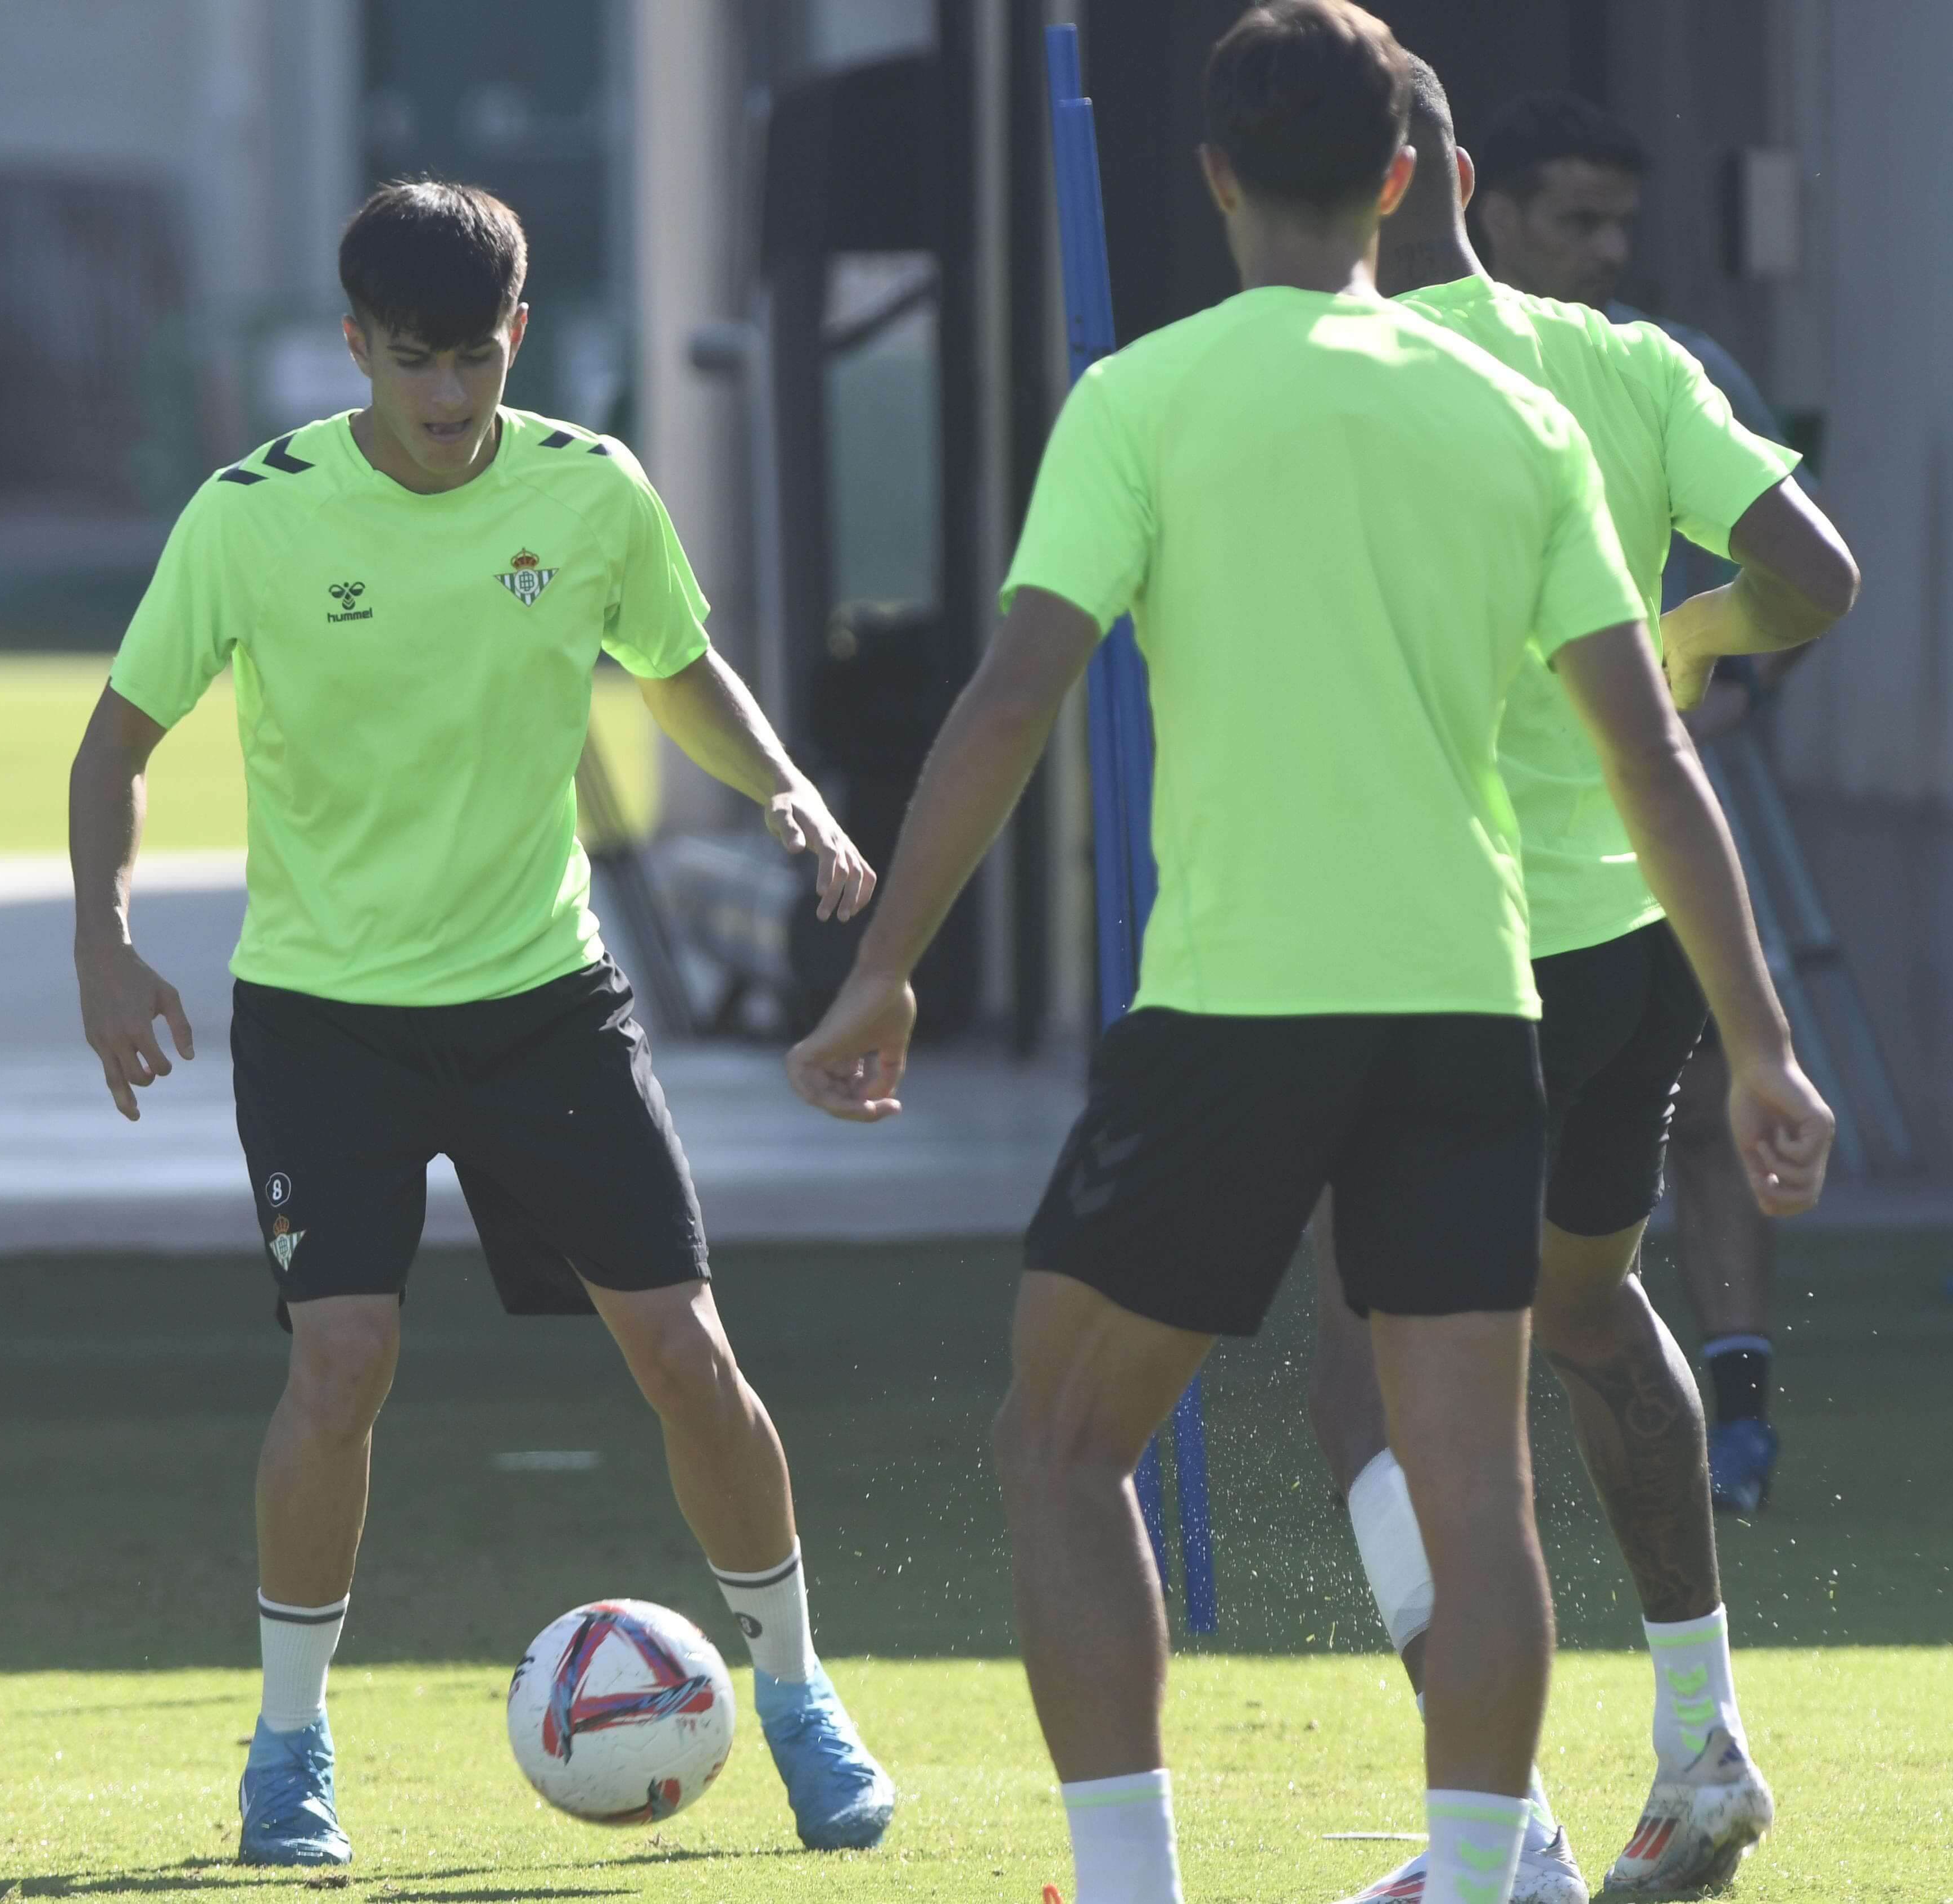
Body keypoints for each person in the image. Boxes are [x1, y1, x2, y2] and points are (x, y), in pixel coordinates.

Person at [785, 8, 1833, 1904]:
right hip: (1471, 1008)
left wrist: (883, 964)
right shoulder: (1522, 412)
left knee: (1058, 1435)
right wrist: (1762, 1040)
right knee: (1481, 1483)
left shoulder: (1146, 395)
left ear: (1210, 181)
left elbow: (1015, 688)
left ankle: (1132, 1883)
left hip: (1239, 1003)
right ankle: (1488, 1866)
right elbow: (1655, 754)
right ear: (1414, 179)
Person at [69, 180, 895, 1867]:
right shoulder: (254, 515)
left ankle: (804, 1703)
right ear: (357, 345)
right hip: (324, 1017)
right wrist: (107, 941)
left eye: (477, 359)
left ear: (519, 337)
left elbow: (675, 667)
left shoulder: (591, 491)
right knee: (342, 1360)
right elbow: (115, 744)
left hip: (544, 1004)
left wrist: (789, 792)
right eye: (415, 361)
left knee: (687, 1354)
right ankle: (287, 1751)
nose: (449, 398)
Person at [1304, 55, 1861, 1904]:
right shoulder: (1630, 366)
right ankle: (1700, 1735)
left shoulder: (1340, 377)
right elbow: (1817, 573)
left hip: (1450, 946)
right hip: (1632, 939)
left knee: (1370, 1372)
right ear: (1461, 173)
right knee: (1596, 1311)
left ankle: (1507, 1835)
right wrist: (1693, 633)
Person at [1476, 89, 1811, 1515]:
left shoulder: (1671, 365)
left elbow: (1792, 586)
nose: (1607, 246)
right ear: (1492, 211)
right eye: (1578, 217)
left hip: (1658, 830)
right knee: (1548, 1259)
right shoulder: (1436, 367)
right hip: (1503, 868)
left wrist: (1695, 671)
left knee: (1716, 1112)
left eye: (1621, 220)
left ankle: (1737, 1405)